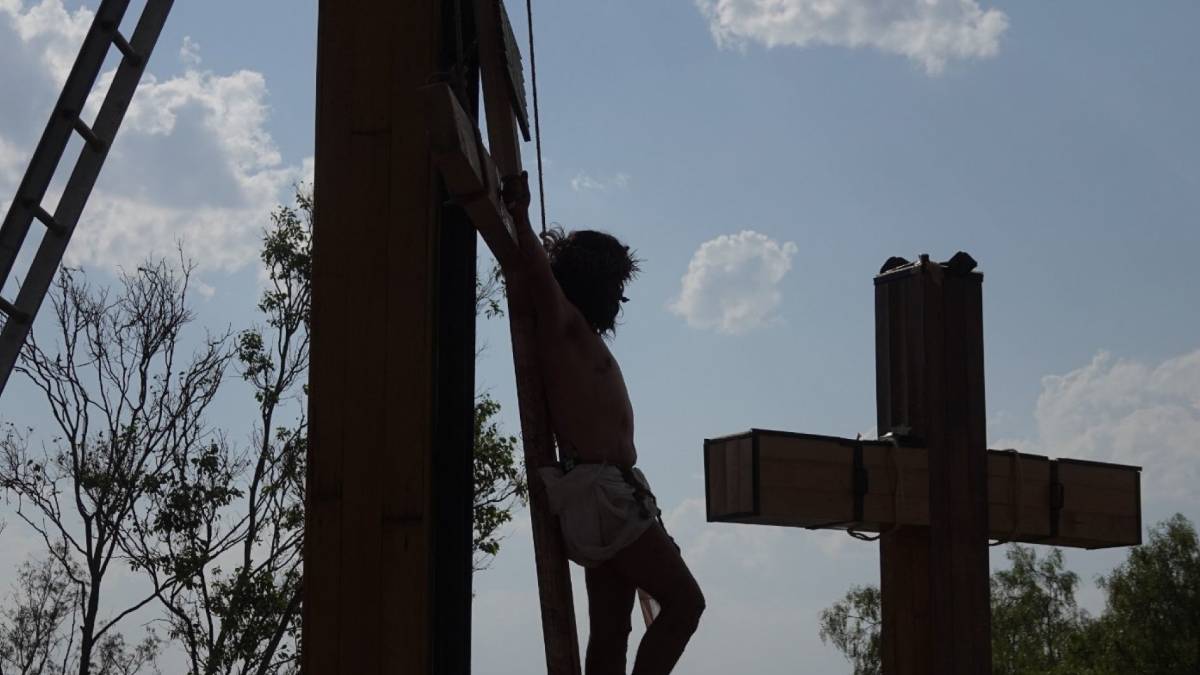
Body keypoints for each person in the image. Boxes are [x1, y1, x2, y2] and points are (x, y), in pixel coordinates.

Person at [500, 171, 705, 675]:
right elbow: (538, 277)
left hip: (607, 494)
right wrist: (521, 217)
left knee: (612, 630)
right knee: (685, 604)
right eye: (615, 285)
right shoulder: (564, 324)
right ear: (591, 281)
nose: (620, 297)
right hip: (603, 495)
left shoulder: (579, 335)